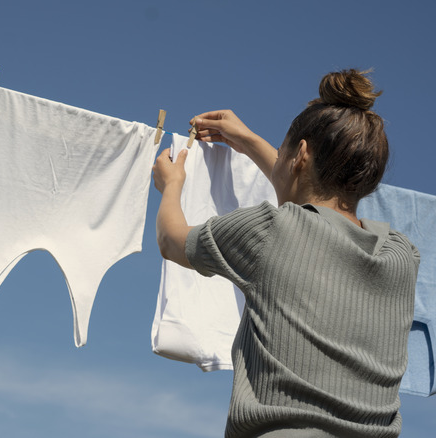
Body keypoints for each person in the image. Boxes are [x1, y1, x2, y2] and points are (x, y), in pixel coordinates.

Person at [152, 69, 420, 437]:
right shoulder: (401, 256)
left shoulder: (268, 230)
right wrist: (249, 142)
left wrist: (171, 185)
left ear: (302, 155)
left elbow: (171, 240)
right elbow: (316, 206)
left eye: (284, 152)